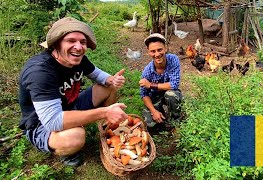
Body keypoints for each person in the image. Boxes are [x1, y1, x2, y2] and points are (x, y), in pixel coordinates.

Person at [18, 17, 128, 166]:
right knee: (75, 136)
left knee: (109, 87)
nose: (79, 47)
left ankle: (106, 128)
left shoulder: (77, 58)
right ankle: (65, 151)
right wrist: (104, 112)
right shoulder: (40, 71)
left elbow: (96, 74)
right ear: (56, 43)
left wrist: (111, 79)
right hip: (41, 123)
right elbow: (53, 121)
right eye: (71, 41)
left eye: (82, 42)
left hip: (70, 105)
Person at [139, 33, 182, 129]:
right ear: (148, 52)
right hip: (155, 96)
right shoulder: (147, 71)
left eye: (160, 50)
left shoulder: (173, 59)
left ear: (165, 48)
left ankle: (175, 119)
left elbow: (174, 84)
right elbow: (144, 95)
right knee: (150, 124)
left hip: (169, 92)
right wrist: (154, 111)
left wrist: (150, 85)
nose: (157, 54)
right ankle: (159, 112)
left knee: (172, 95)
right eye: (153, 51)